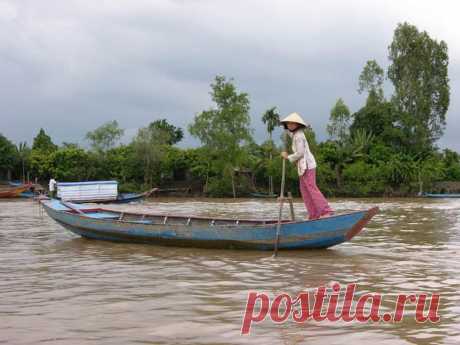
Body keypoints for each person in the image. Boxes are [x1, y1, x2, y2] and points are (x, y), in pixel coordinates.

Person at [280, 112, 333, 220]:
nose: (290, 125)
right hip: (302, 168)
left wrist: (287, 157)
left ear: (297, 125)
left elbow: (300, 153)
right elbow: (290, 134)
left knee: (311, 188)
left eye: (292, 124)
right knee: (305, 191)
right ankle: (313, 214)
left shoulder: (299, 136)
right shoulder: (295, 134)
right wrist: (282, 125)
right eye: (288, 124)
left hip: (308, 166)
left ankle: (326, 211)